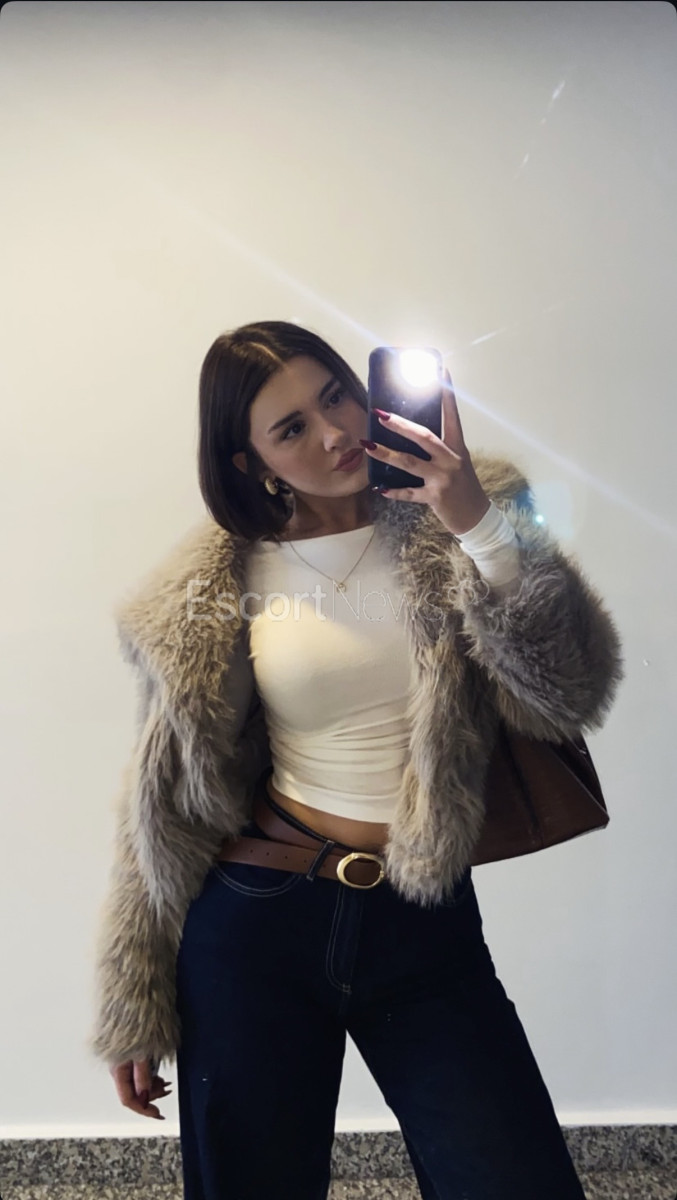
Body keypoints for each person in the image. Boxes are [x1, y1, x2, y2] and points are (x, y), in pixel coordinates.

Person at [88, 320, 624, 1199]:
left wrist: (478, 526)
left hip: (424, 918)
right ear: (248, 461)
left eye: (335, 394)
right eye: (291, 427)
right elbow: (164, 801)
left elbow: (565, 691)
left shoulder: (471, 512)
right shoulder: (210, 587)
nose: (335, 432)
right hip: (258, 921)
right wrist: (133, 992)